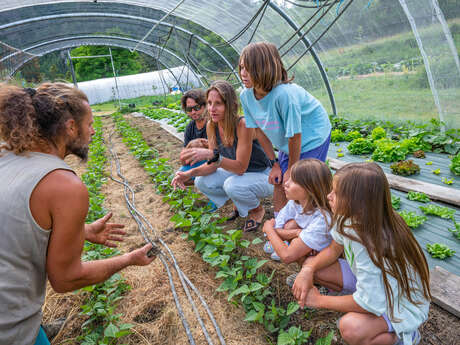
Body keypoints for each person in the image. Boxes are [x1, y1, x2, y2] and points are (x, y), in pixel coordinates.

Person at [0, 83, 156, 345]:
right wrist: (128, 259)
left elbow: (16, 224)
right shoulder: (64, 185)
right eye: (90, 124)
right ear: (71, 127)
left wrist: (81, 232)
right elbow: (66, 278)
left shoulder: (7, 156)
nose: (94, 131)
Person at [292, 162, 431, 345]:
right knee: (316, 267)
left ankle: (404, 336)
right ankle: (349, 298)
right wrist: (308, 269)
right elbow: (334, 249)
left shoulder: (372, 244)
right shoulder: (351, 217)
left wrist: (318, 300)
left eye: (336, 193)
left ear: (356, 201)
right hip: (377, 285)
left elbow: (369, 303)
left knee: (351, 327)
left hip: (397, 304)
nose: (328, 196)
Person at [239, 42, 332, 215]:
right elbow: (259, 131)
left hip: (312, 136)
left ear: (264, 68)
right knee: (279, 181)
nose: (243, 73)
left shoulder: (284, 95)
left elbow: (295, 136)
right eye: (242, 67)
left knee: (302, 184)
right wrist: (274, 164)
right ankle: (280, 225)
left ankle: (315, 224)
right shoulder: (246, 96)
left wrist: (292, 168)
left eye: (249, 68)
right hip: (289, 140)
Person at [171, 80, 273, 232]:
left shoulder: (242, 124)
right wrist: (188, 174)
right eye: (210, 103)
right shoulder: (212, 125)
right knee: (201, 181)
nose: (212, 109)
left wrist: (211, 154)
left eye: (218, 103)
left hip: (263, 175)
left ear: (230, 104)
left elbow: (240, 168)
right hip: (239, 174)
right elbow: (212, 165)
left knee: (232, 185)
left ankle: (256, 210)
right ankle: (238, 202)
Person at [262, 159, 332, 264]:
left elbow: (286, 256)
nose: (286, 183)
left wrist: (269, 229)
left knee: (298, 251)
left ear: (310, 188)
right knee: (290, 225)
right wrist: (296, 232)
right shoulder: (294, 203)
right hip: (305, 241)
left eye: (293, 181)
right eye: (289, 178)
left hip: (322, 258)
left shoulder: (322, 218)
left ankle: (309, 274)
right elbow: (277, 225)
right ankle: (289, 247)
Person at [178, 89, 208, 185]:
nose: (193, 112)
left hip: (217, 161)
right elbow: (183, 159)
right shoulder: (190, 127)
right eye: (189, 109)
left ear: (205, 106)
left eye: (197, 108)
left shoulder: (212, 124)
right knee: (180, 176)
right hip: (199, 161)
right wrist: (190, 146)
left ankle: (219, 194)